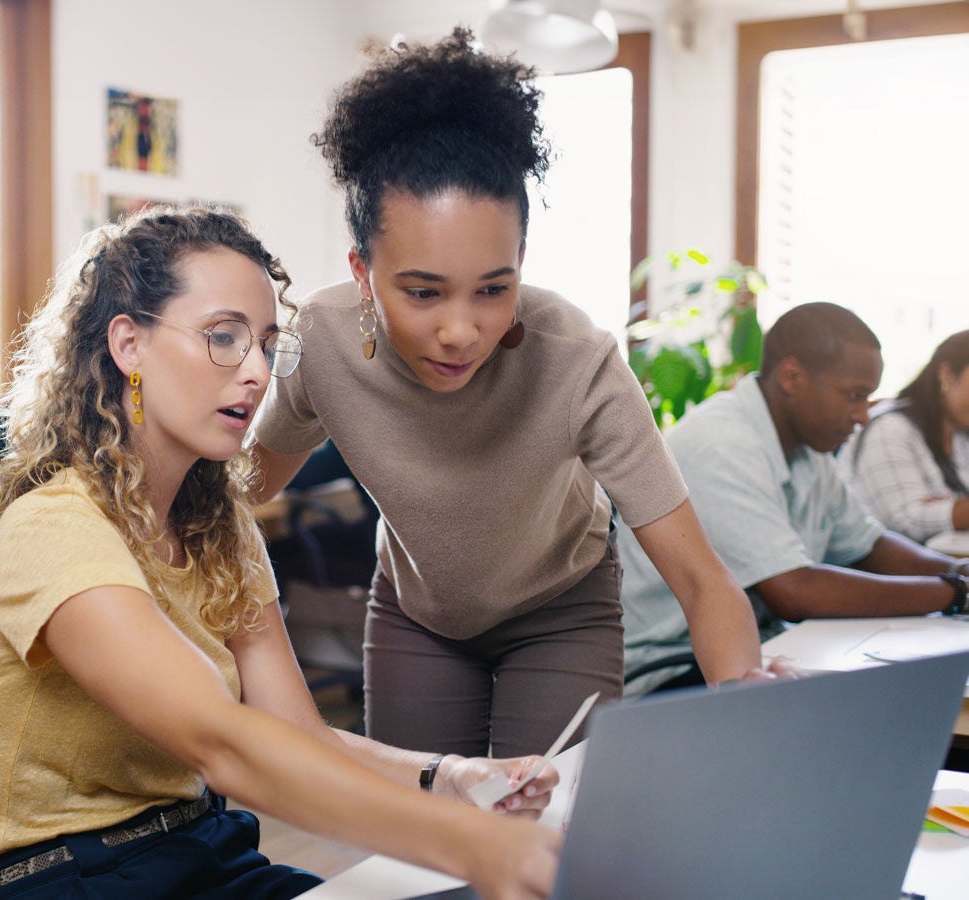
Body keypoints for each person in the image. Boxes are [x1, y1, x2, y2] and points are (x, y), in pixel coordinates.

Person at [0, 206, 561, 899]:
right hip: (79, 878)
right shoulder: (53, 529)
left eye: (266, 344)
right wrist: (472, 844)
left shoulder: (218, 523)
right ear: (128, 345)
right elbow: (224, 745)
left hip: (205, 852)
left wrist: (446, 777)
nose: (255, 372)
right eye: (223, 338)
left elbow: (297, 734)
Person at [245, 29, 782, 757]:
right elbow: (245, 494)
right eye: (424, 292)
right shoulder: (322, 343)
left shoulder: (578, 362)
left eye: (494, 289)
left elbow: (700, 577)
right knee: (424, 836)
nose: (461, 330)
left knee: (550, 826)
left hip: (563, 608)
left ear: (522, 261)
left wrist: (743, 691)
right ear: (363, 271)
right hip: (416, 614)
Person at [619, 302, 969, 696]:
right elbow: (794, 591)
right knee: (889, 699)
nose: (863, 416)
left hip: (763, 647)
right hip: (671, 670)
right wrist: (952, 592)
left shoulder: (808, 447)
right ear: (792, 376)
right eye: (854, 396)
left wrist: (957, 569)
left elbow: (867, 545)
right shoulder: (724, 443)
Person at [839, 330, 969, 542]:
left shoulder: (960, 437)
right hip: (898, 571)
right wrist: (955, 510)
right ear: (946, 373)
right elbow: (905, 520)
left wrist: (951, 509)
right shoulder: (889, 428)